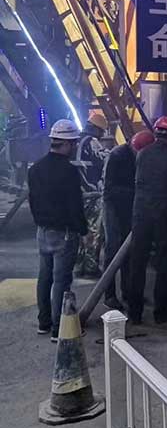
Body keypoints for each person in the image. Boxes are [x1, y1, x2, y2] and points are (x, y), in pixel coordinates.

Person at [28, 119, 87, 342]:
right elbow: (75, 205)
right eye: (74, 143)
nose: (75, 147)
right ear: (67, 144)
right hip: (64, 233)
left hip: (43, 231)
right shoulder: (69, 172)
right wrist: (83, 230)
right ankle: (58, 329)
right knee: (62, 281)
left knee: (45, 277)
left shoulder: (35, 169)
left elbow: (33, 201)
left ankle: (43, 323)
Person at [128, 116, 167, 325]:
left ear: (155, 132)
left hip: (141, 213)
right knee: (163, 262)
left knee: (138, 261)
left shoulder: (142, 154)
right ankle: (161, 313)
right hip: (163, 214)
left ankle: (134, 313)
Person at [103, 129, 155, 310]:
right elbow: (109, 189)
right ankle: (109, 295)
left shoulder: (143, 156)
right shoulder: (117, 156)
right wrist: (135, 191)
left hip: (130, 206)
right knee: (113, 249)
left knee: (129, 251)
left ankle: (128, 291)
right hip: (113, 206)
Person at [75, 111, 109, 278]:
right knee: (94, 232)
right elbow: (106, 159)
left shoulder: (75, 142)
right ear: (96, 129)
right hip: (92, 193)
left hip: (77, 194)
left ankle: (78, 265)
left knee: (79, 231)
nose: (102, 135)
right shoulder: (92, 142)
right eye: (102, 131)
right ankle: (91, 267)